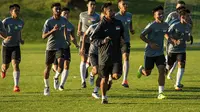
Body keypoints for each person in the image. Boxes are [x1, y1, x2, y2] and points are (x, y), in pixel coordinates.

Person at [92, 2, 124, 104]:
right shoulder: (101, 24)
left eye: (113, 10)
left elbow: (123, 35)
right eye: (110, 10)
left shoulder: (119, 23)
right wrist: (103, 41)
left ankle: (111, 78)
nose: (113, 12)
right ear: (105, 13)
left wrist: (123, 41)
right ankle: (104, 97)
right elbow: (93, 39)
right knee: (104, 79)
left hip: (116, 56)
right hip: (104, 56)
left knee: (116, 76)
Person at [137, 5, 169, 99]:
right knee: (147, 73)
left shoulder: (165, 25)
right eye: (159, 14)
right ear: (154, 16)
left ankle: (160, 93)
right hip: (149, 53)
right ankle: (141, 70)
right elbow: (141, 35)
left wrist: (171, 39)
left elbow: (166, 33)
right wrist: (150, 43)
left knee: (162, 70)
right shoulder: (151, 25)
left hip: (160, 53)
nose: (161, 15)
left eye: (162, 13)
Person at [42, 3, 68, 95]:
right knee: (48, 68)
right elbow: (43, 36)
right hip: (50, 47)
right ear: (52, 10)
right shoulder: (48, 22)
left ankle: (56, 77)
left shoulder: (64, 20)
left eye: (59, 9)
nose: (58, 10)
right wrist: (52, 30)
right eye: (56, 9)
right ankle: (46, 87)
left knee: (61, 62)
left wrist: (66, 39)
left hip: (60, 46)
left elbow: (65, 30)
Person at [52, 7, 79, 91]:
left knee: (66, 64)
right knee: (59, 65)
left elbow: (73, 37)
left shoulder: (71, 25)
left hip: (66, 47)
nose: (66, 15)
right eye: (64, 14)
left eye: (67, 14)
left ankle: (62, 85)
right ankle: (56, 77)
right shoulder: (57, 23)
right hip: (57, 46)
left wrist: (77, 45)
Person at [166, 9, 192, 91]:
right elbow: (166, 34)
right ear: (182, 17)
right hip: (172, 50)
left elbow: (187, 38)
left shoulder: (188, 26)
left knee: (181, 65)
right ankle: (161, 79)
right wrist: (174, 41)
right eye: (188, 16)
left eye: (189, 16)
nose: (189, 18)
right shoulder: (175, 25)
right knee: (168, 68)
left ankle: (177, 84)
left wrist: (188, 38)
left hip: (182, 50)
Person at [1, 4, 24, 92]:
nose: (17, 12)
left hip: (16, 46)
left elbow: (19, 31)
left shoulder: (21, 22)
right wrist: (5, 38)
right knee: (6, 66)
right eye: (15, 11)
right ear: (11, 12)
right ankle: (3, 70)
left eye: (18, 10)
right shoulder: (6, 21)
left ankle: (16, 86)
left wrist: (20, 39)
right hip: (6, 46)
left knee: (15, 64)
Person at [77, 0, 100, 88]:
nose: (93, 6)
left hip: (93, 41)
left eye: (94, 4)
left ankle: (87, 67)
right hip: (83, 40)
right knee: (83, 59)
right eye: (91, 4)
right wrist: (79, 30)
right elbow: (80, 23)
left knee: (91, 61)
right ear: (87, 5)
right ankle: (83, 81)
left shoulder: (97, 16)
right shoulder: (82, 14)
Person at [115, 0, 135, 88]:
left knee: (126, 57)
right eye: (123, 4)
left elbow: (130, 25)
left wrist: (131, 30)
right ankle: (110, 77)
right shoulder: (115, 16)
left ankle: (125, 80)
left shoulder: (129, 15)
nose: (125, 5)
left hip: (126, 41)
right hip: (116, 41)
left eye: (126, 4)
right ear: (119, 6)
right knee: (115, 60)